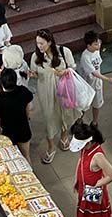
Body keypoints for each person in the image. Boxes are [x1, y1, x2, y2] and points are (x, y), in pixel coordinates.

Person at [29, 29, 78, 164]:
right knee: (49, 116)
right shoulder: (36, 57)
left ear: (49, 42)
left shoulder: (64, 52)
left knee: (64, 112)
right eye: (37, 43)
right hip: (46, 91)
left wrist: (64, 72)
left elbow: (73, 68)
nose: (39, 46)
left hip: (64, 89)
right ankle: (51, 147)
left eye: (42, 43)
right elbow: (36, 73)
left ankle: (63, 136)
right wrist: (30, 74)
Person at [70, 121, 112, 217]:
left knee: (93, 214)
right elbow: (81, 161)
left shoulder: (97, 156)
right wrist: (77, 180)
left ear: (89, 142)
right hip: (84, 186)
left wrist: (96, 185)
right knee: (84, 208)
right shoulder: (85, 149)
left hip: (92, 190)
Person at [0, 68, 35, 160]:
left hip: (8, 134)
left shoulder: (0, 100)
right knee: (26, 156)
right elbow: (30, 108)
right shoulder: (23, 91)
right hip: (23, 129)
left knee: (9, 159)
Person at [79, 31, 112, 127]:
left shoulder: (96, 50)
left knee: (97, 104)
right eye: (95, 44)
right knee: (83, 106)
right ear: (88, 45)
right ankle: (79, 121)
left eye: (98, 43)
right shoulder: (85, 57)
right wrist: (107, 79)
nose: (98, 45)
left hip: (97, 84)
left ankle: (94, 122)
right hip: (87, 85)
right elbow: (94, 73)